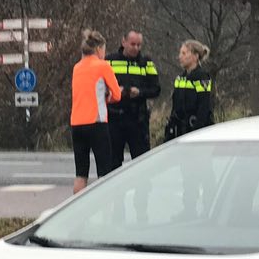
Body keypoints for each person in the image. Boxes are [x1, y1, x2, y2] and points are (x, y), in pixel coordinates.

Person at [70, 29, 122, 194]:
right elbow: (117, 95)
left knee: (81, 173)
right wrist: (107, 98)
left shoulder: (76, 68)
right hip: (96, 122)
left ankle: (77, 209)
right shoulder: (102, 66)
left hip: (77, 123)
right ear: (99, 49)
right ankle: (104, 208)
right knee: (104, 172)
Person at [106, 30, 161, 168]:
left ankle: (142, 189)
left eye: (139, 45)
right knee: (112, 162)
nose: (136, 48)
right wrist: (115, 91)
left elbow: (156, 89)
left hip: (137, 119)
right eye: (133, 44)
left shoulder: (146, 63)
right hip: (114, 117)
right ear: (123, 42)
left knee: (141, 162)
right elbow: (100, 87)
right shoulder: (110, 61)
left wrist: (140, 92)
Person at [164, 39, 214, 141]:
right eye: (180, 53)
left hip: (195, 130)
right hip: (180, 129)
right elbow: (175, 106)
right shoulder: (180, 78)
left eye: (184, 53)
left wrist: (197, 130)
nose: (180, 57)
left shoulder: (202, 77)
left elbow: (204, 107)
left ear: (195, 56)